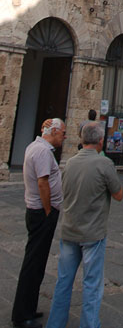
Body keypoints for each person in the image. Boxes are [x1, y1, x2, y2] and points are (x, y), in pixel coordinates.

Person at [46, 122, 123, 328]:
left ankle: (55, 323)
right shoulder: (104, 164)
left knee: (63, 281)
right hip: (92, 233)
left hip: (69, 230)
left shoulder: (69, 163)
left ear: (81, 140)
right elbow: (119, 194)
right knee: (92, 284)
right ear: (100, 141)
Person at [12, 118, 66, 328]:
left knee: (36, 262)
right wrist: (48, 210)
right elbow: (43, 183)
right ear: (52, 132)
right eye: (62, 132)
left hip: (36, 211)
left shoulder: (34, 147)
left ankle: (28, 308)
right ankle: (22, 315)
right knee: (33, 263)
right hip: (41, 213)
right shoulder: (43, 152)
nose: (64, 136)